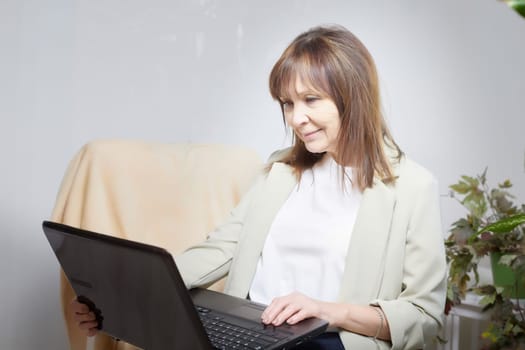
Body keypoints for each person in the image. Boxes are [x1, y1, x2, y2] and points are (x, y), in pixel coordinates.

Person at [72, 24, 446, 349]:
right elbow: (219, 249)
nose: (297, 118)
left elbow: (424, 315)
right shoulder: (280, 173)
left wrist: (328, 311)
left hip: (334, 340)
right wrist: (121, 295)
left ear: (353, 97)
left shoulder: (412, 188)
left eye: (311, 99)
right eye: (287, 103)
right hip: (257, 332)